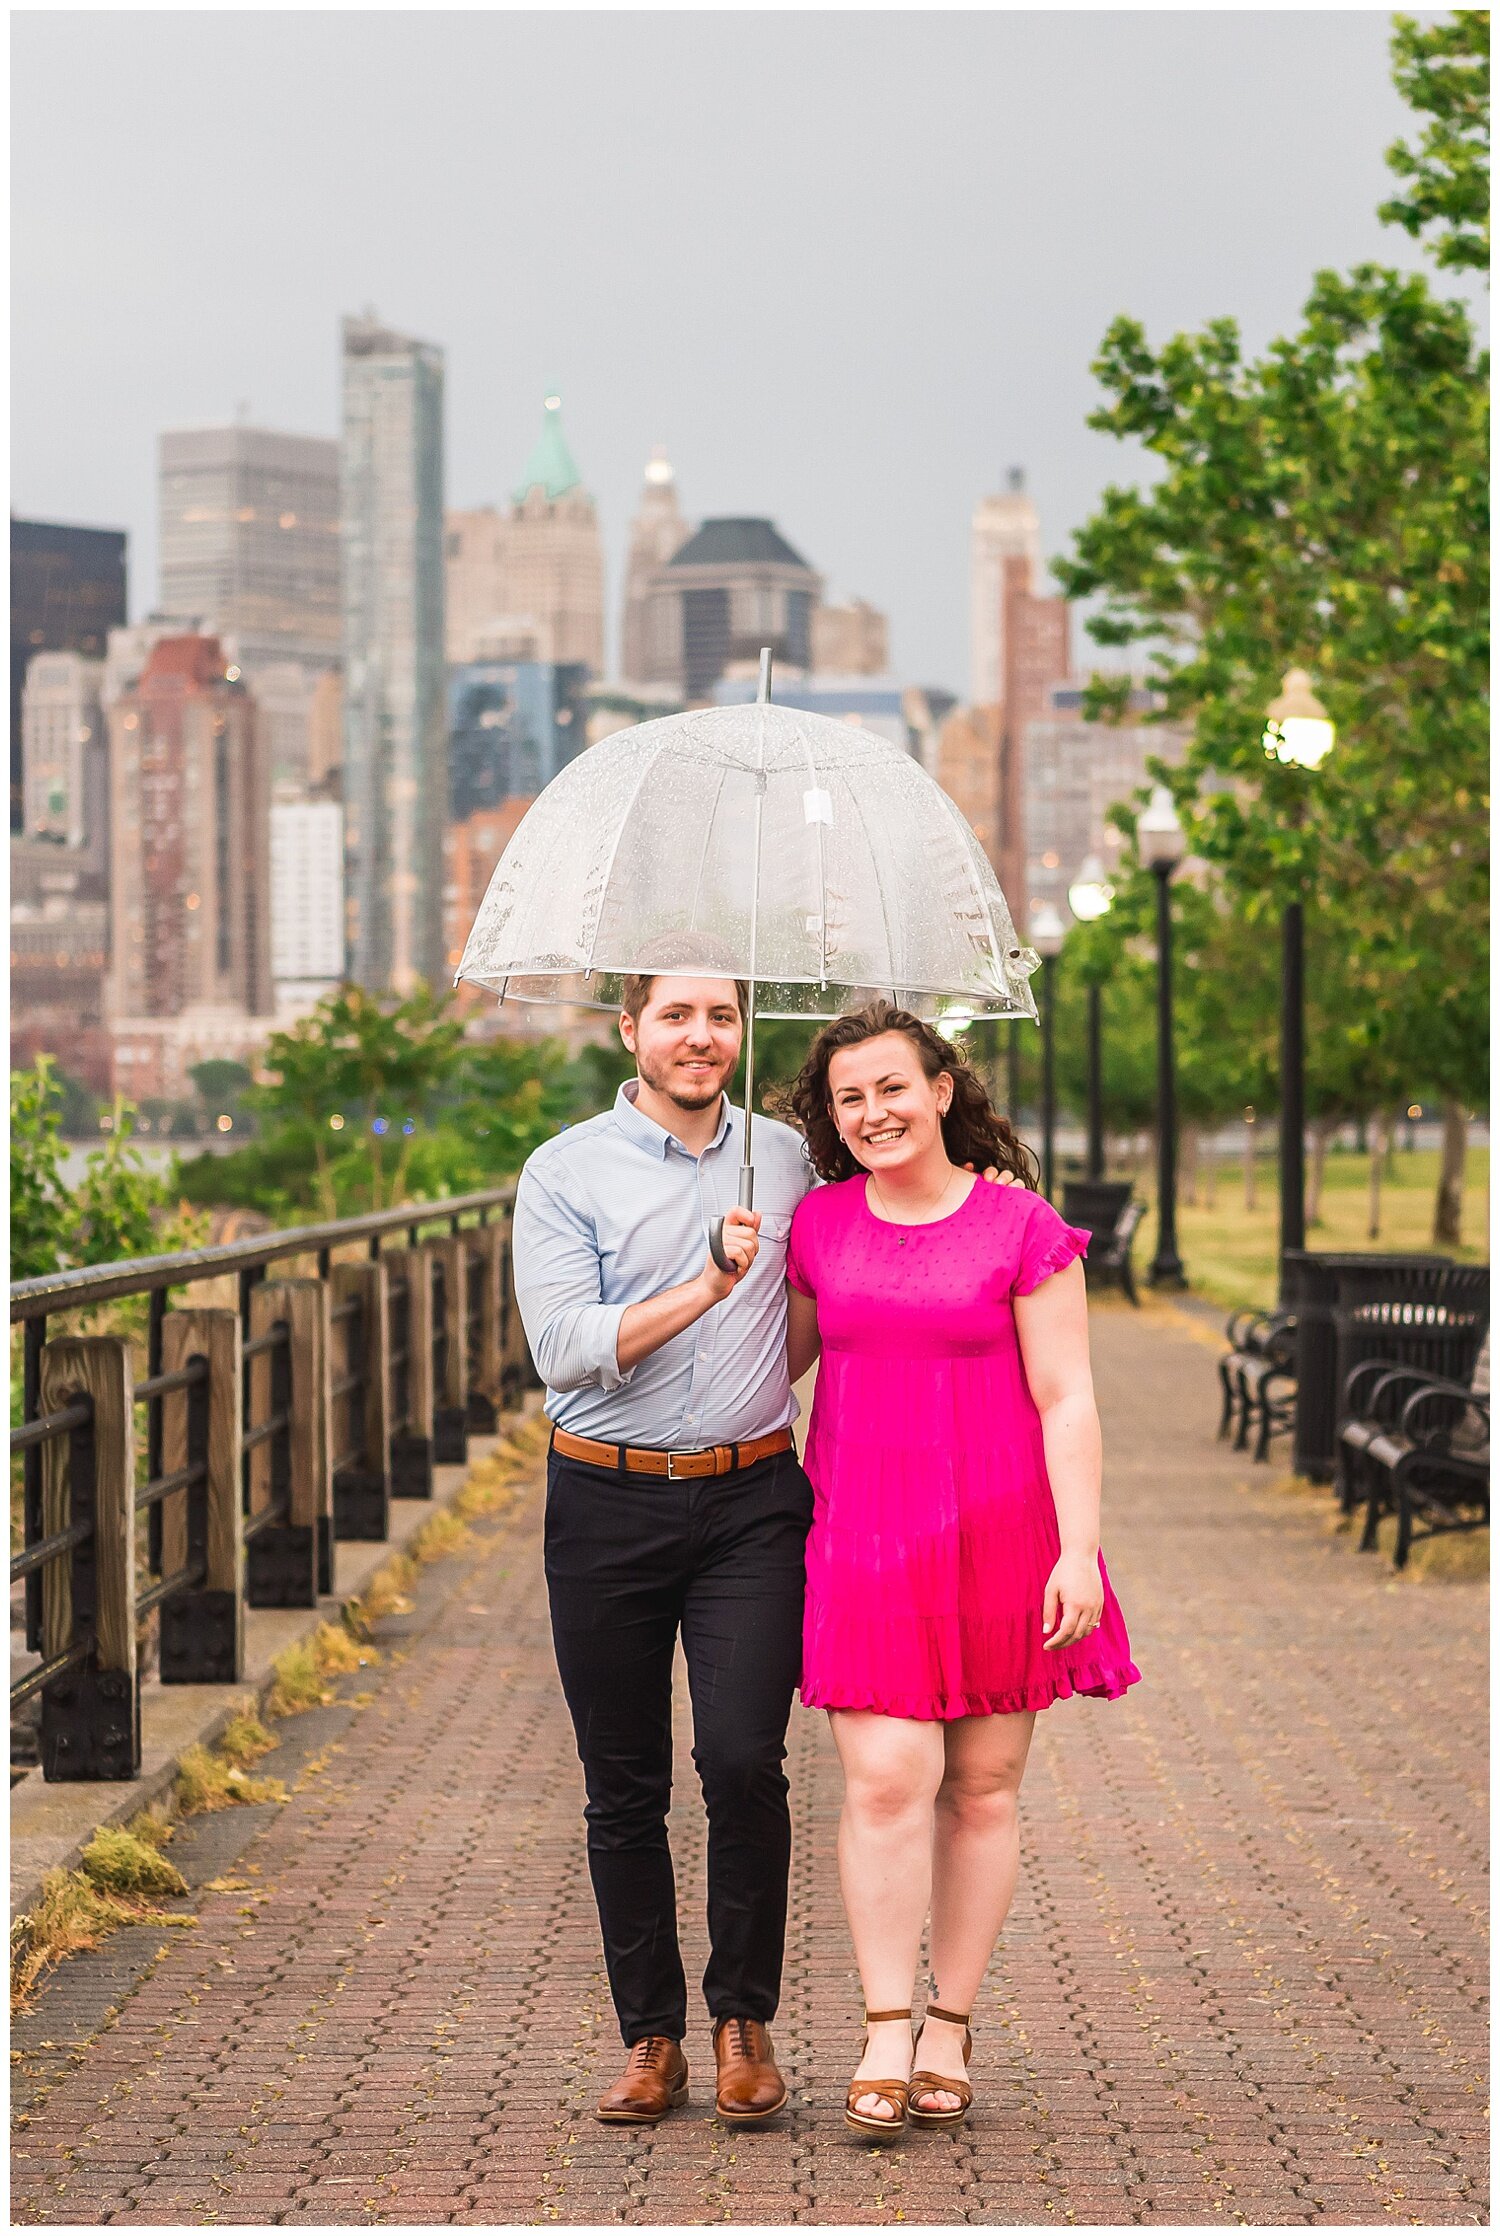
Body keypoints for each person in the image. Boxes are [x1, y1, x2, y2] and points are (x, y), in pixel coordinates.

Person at [780, 999, 1140, 2137]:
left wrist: (1078, 1549)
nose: (874, 1110)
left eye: (893, 1086)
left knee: (982, 1789)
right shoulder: (818, 1227)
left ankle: (949, 2023)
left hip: (1001, 1535)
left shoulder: (1021, 1228)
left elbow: (1066, 1396)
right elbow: (771, 1365)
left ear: (941, 1090)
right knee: (888, 1780)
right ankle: (887, 2023)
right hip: (865, 1535)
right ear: (832, 1119)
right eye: (850, 1096)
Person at [512, 968, 814, 2128]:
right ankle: (652, 2036)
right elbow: (566, 1345)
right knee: (621, 1783)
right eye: (676, 1016)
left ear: (742, 1030)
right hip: (605, 1503)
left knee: (744, 1759)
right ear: (629, 1029)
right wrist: (708, 1285)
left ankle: (744, 2019)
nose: (701, 1036)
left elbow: (832, 1283)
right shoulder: (564, 1169)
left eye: (722, 1015)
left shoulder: (787, 1159)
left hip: (750, 1502)